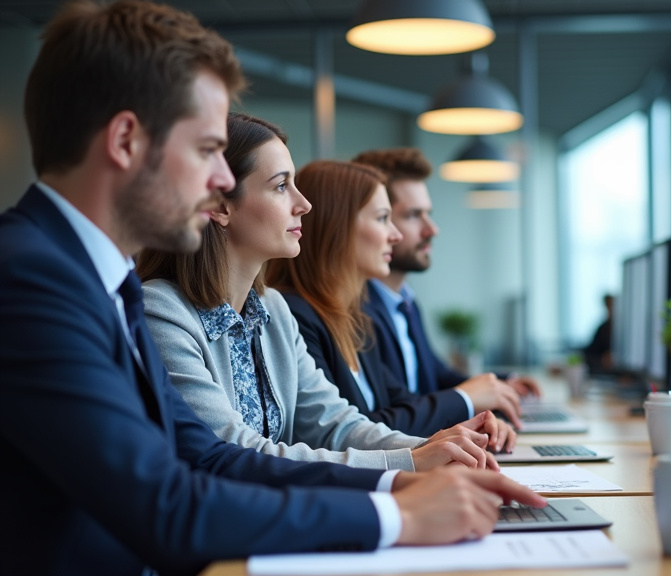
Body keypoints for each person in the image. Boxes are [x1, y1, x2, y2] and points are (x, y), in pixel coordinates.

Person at [0, 2, 543, 574]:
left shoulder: (106, 283)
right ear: (127, 141)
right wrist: (399, 514)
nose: (218, 181)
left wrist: (401, 477)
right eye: (208, 150)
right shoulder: (30, 279)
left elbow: (209, 457)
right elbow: (167, 506)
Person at [137, 112, 505, 471]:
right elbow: (231, 450)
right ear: (219, 205)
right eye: (281, 186)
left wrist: (438, 447)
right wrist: (411, 461)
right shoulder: (162, 312)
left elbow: (335, 426)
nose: (304, 204)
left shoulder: (273, 311)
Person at [264, 160, 514, 449]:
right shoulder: (294, 314)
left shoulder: (356, 320)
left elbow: (404, 405)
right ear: (338, 228)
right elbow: (356, 432)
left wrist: (477, 422)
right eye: (383, 218)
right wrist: (465, 400)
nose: (394, 236)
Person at [352, 148, 541, 425]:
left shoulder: (406, 303)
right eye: (414, 215)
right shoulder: (354, 310)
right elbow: (393, 411)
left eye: (428, 213)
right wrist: (471, 398)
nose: (432, 229)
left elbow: (437, 377)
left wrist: (500, 384)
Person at [583, 293, 615, 372]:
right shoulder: (603, 328)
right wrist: (602, 360)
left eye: (612, 306)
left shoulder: (624, 329)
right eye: (608, 306)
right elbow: (589, 353)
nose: (610, 309)